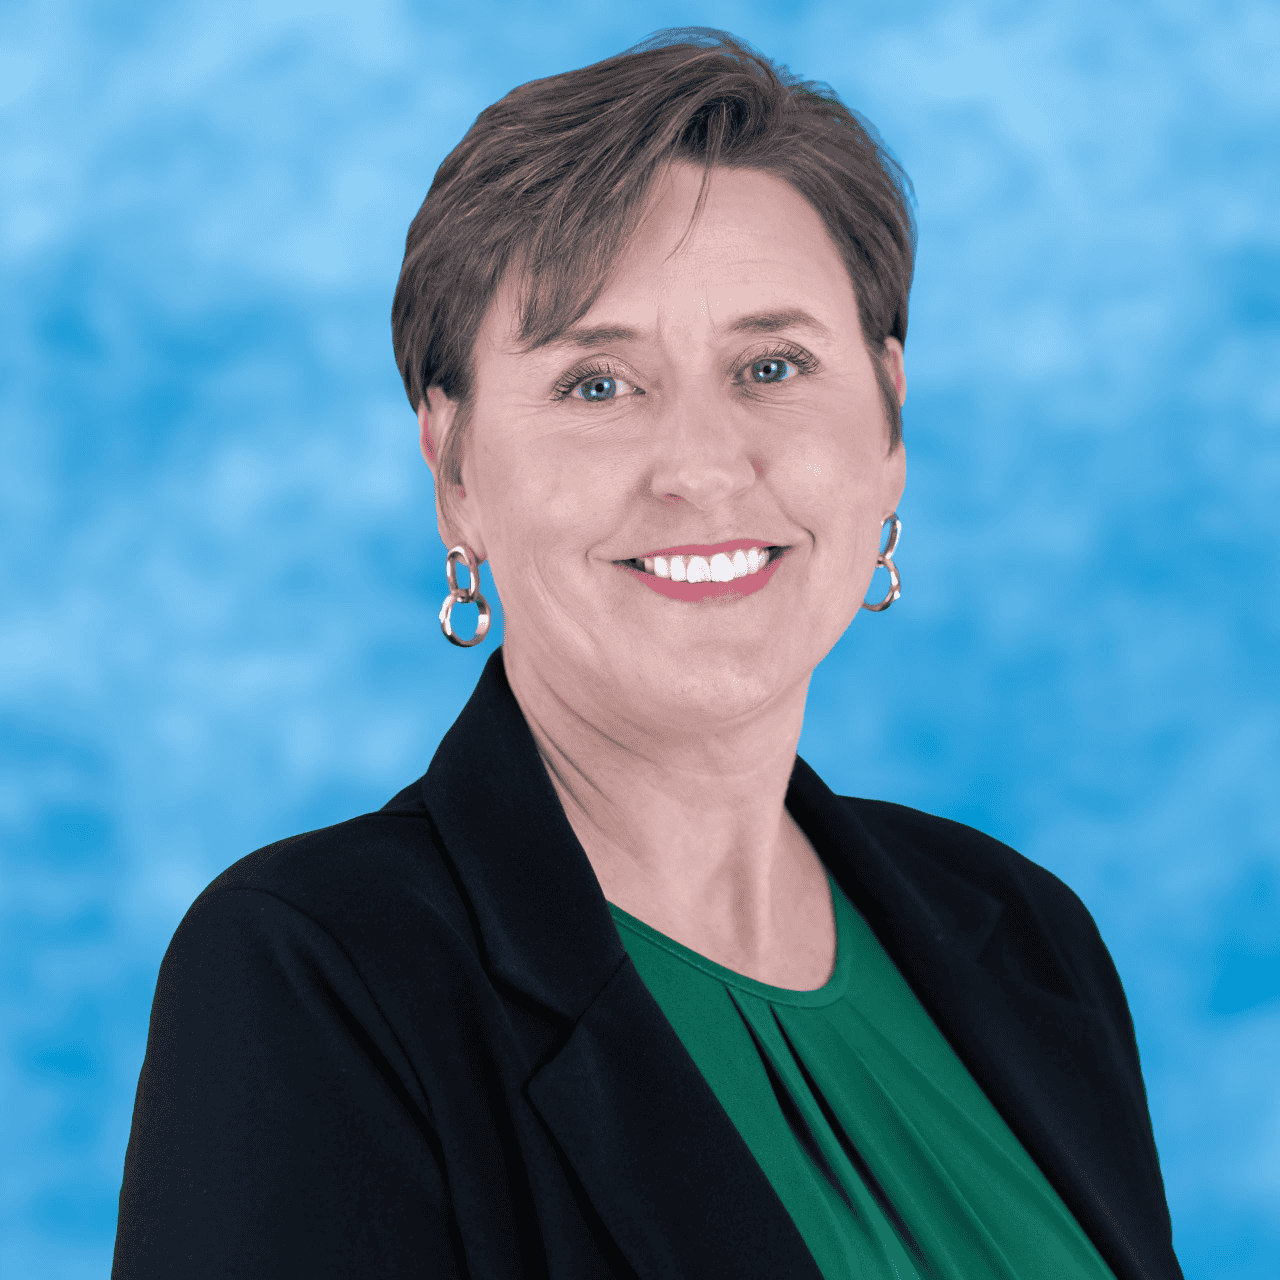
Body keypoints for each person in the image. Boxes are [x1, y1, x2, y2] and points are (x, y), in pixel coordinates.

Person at [111, 29, 1183, 1280]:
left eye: (770, 366)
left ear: (889, 421)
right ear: (454, 467)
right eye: (597, 384)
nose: (704, 468)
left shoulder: (1024, 932)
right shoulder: (316, 975)